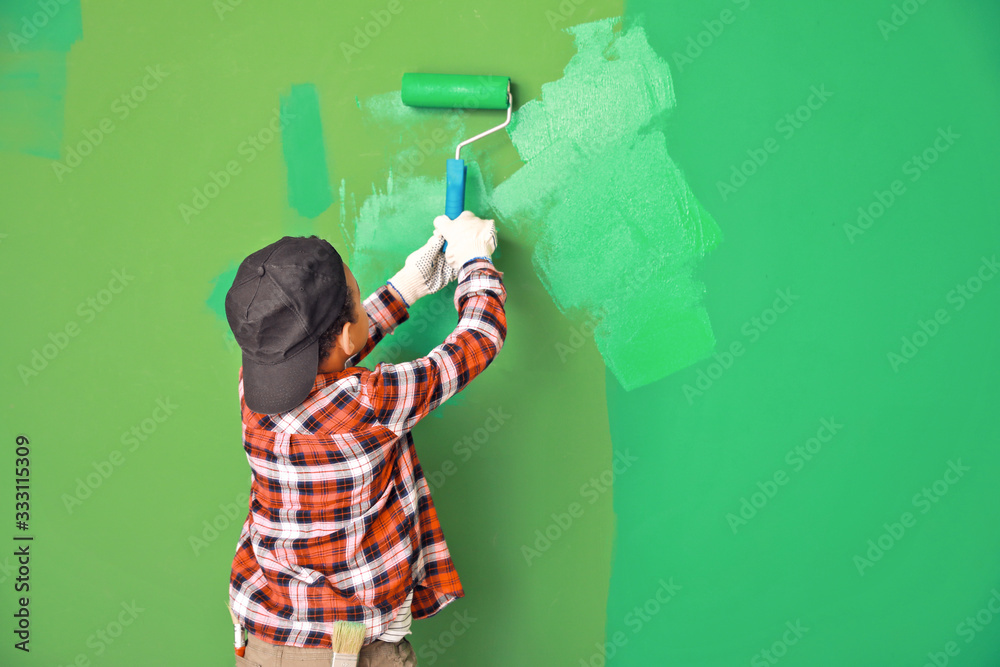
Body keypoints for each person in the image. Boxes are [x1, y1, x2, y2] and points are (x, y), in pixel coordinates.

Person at [224, 212, 506, 667]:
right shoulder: (372, 403)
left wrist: (408, 286)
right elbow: (478, 339)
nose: (360, 302)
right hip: (347, 653)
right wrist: (476, 261)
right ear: (342, 330)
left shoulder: (253, 386)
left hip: (261, 638)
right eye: (356, 297)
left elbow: (325, 349)